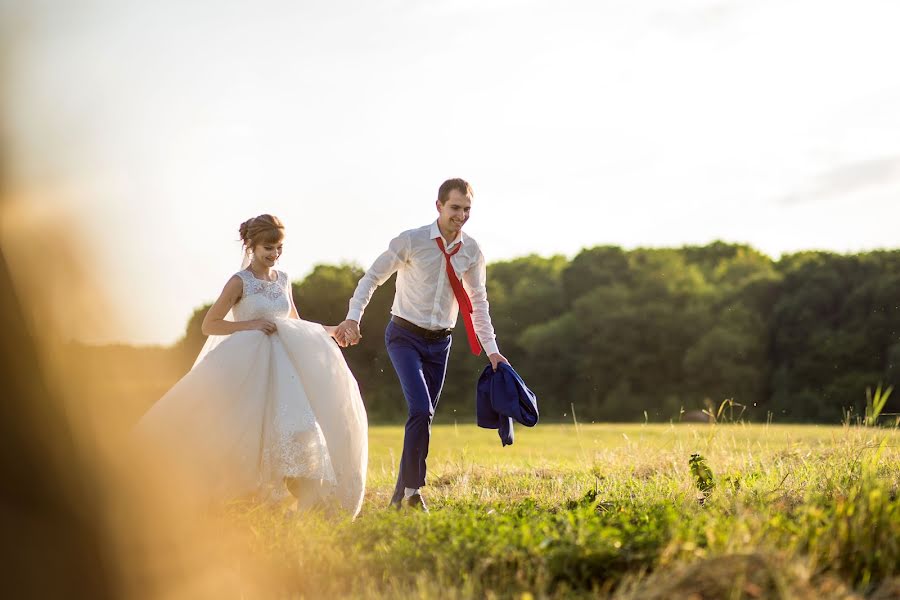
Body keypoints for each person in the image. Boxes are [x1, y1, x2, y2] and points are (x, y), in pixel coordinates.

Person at [136, 215, 367, 516]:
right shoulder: (239, 282)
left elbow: (295, 323)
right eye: (268, 248)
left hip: (285, 368)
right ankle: (239, 497)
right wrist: (250, 324)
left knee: (296, 429)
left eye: (279, 248)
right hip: (250, 364)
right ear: (252, 246)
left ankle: (307, 503)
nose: (274, 255)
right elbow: (210, 325)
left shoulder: (283, 280)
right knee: (247, 430)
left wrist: (333, 330)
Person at [335, 179, 509, 512]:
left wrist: (492, 350)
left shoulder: (472, 251)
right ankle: (414, 493)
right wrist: (353, 317)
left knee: (422, 418)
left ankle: (400, 499)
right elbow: (372, 277)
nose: (461, 215)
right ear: (439, 206)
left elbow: (478, 303)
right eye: (455, 208)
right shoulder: (412, 241)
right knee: (420, 409)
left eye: (467, 209)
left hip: (439, 343)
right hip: (404, 336)